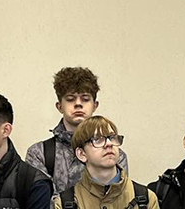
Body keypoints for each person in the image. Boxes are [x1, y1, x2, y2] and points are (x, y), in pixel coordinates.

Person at [25, 66, 129, 195]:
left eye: (85, 99)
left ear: (95, 106)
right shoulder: (39, 153)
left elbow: (117, 198)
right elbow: (41, 201)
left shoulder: (114, 154)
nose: (78, 104)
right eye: (70, 99)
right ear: (59, 106)